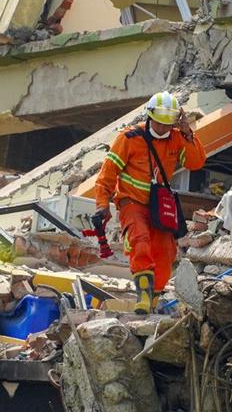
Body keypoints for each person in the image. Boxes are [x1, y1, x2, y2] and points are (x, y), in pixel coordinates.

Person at [94, 91, 206, 314]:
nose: (163, 129)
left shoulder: (176, 137)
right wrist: (102, 204)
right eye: (159, 124)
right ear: (150, 116)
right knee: (140, 241)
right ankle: (143, 297)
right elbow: (108, 173)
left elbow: (196, 162)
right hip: (131, 201)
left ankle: (154, 298)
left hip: (159, 205)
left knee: (165, 252)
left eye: (168, 125)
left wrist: (187, 133)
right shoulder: (129, 139)